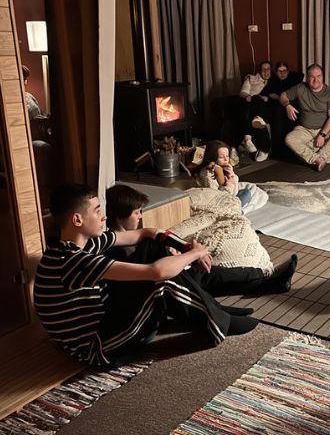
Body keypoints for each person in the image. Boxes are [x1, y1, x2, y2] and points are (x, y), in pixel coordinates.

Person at [34, 183, 260, 367]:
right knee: (161, 280)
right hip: (99, 348)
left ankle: (213, 309)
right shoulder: (73, 261)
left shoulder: (85, 244)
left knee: (153, 249)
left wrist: (182, 247)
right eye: (97, 211)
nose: (104, 217)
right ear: (77, 220)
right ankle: (220, 322)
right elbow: (157, 272)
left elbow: (147, 233)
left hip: (106, 317)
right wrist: (194, 253)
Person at [105, 183, 297, 297]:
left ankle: (271, 281)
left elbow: (153, 232)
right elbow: (152, 270)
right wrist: (188, 255)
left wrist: (180, 248)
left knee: (224, 275)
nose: (140, 217)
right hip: (167, 284)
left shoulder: (131, 235)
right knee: (222, 277)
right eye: (136, 213)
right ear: (121, 215)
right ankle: (269, 279)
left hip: (179, 270)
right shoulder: (116, 249)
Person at [280, 64, 330, 171]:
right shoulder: (300, 88)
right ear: (307, 78)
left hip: (326, 129)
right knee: (289, 138)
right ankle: (317, 159)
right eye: (312, 77)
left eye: (319, 76)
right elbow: (283, 95)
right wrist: (287, 105)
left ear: (323, 77)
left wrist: (322, 135)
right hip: (305, 129)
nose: (315, 80)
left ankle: (320, 157)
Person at [196, 140, 253, 208]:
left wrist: (232, 175)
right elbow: (218, 199)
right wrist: (229, 185)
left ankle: (236, 208)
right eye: (221, 157)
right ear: (212, 157)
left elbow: (235, 192)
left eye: (227, 156)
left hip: (227, 197)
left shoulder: (223, 168)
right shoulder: (207, 173)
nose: (226, 159)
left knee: (246, 192)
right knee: (245, 196)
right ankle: (237, 211)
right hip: (217, 204)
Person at [238, 61, 272, 161]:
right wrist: (248, 96)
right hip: (251, 104)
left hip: (266, 107)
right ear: (260, 71)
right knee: (254, 99)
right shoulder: (251, 79)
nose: (266, 71)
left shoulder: (274, 81)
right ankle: (262, 147)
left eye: (268, 69)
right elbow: (243, 92)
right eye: (263, 69)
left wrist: (267, 98)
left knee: (257, 100)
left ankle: (247, 139)